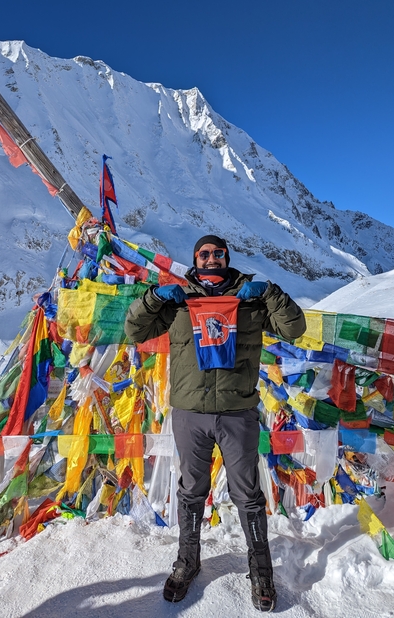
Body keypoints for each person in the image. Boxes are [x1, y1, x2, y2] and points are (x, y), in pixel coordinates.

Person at [124, 235, 306, 612]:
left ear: (227, 257)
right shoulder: (179, 302)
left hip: (237, 413)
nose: (211, 259)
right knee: (191, 490)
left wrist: (271, 292)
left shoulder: (251, 302)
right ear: (195, 260)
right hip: (190, 414)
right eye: (204, 254)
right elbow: (134, 331)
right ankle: (187, 561)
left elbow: (294, 329)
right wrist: (155, 298)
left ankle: (261, 570)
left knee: (248, 494)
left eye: (218, 253)